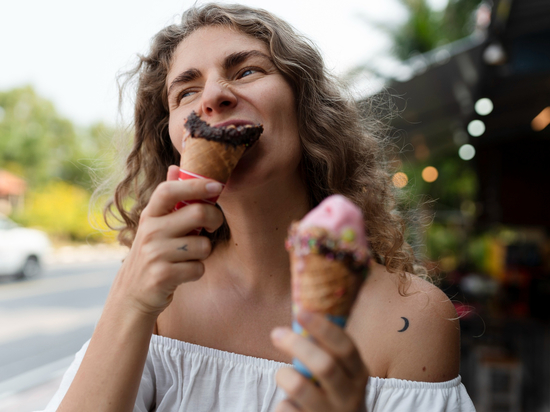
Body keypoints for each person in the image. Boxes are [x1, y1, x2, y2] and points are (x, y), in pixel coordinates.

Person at [40, 3, 475, 412]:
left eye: (246, 70)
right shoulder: (157, 304)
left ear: (306, 108)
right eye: (186, 91)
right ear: (172, 140)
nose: (212, 95)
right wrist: (129, 299)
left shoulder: (411, 319)